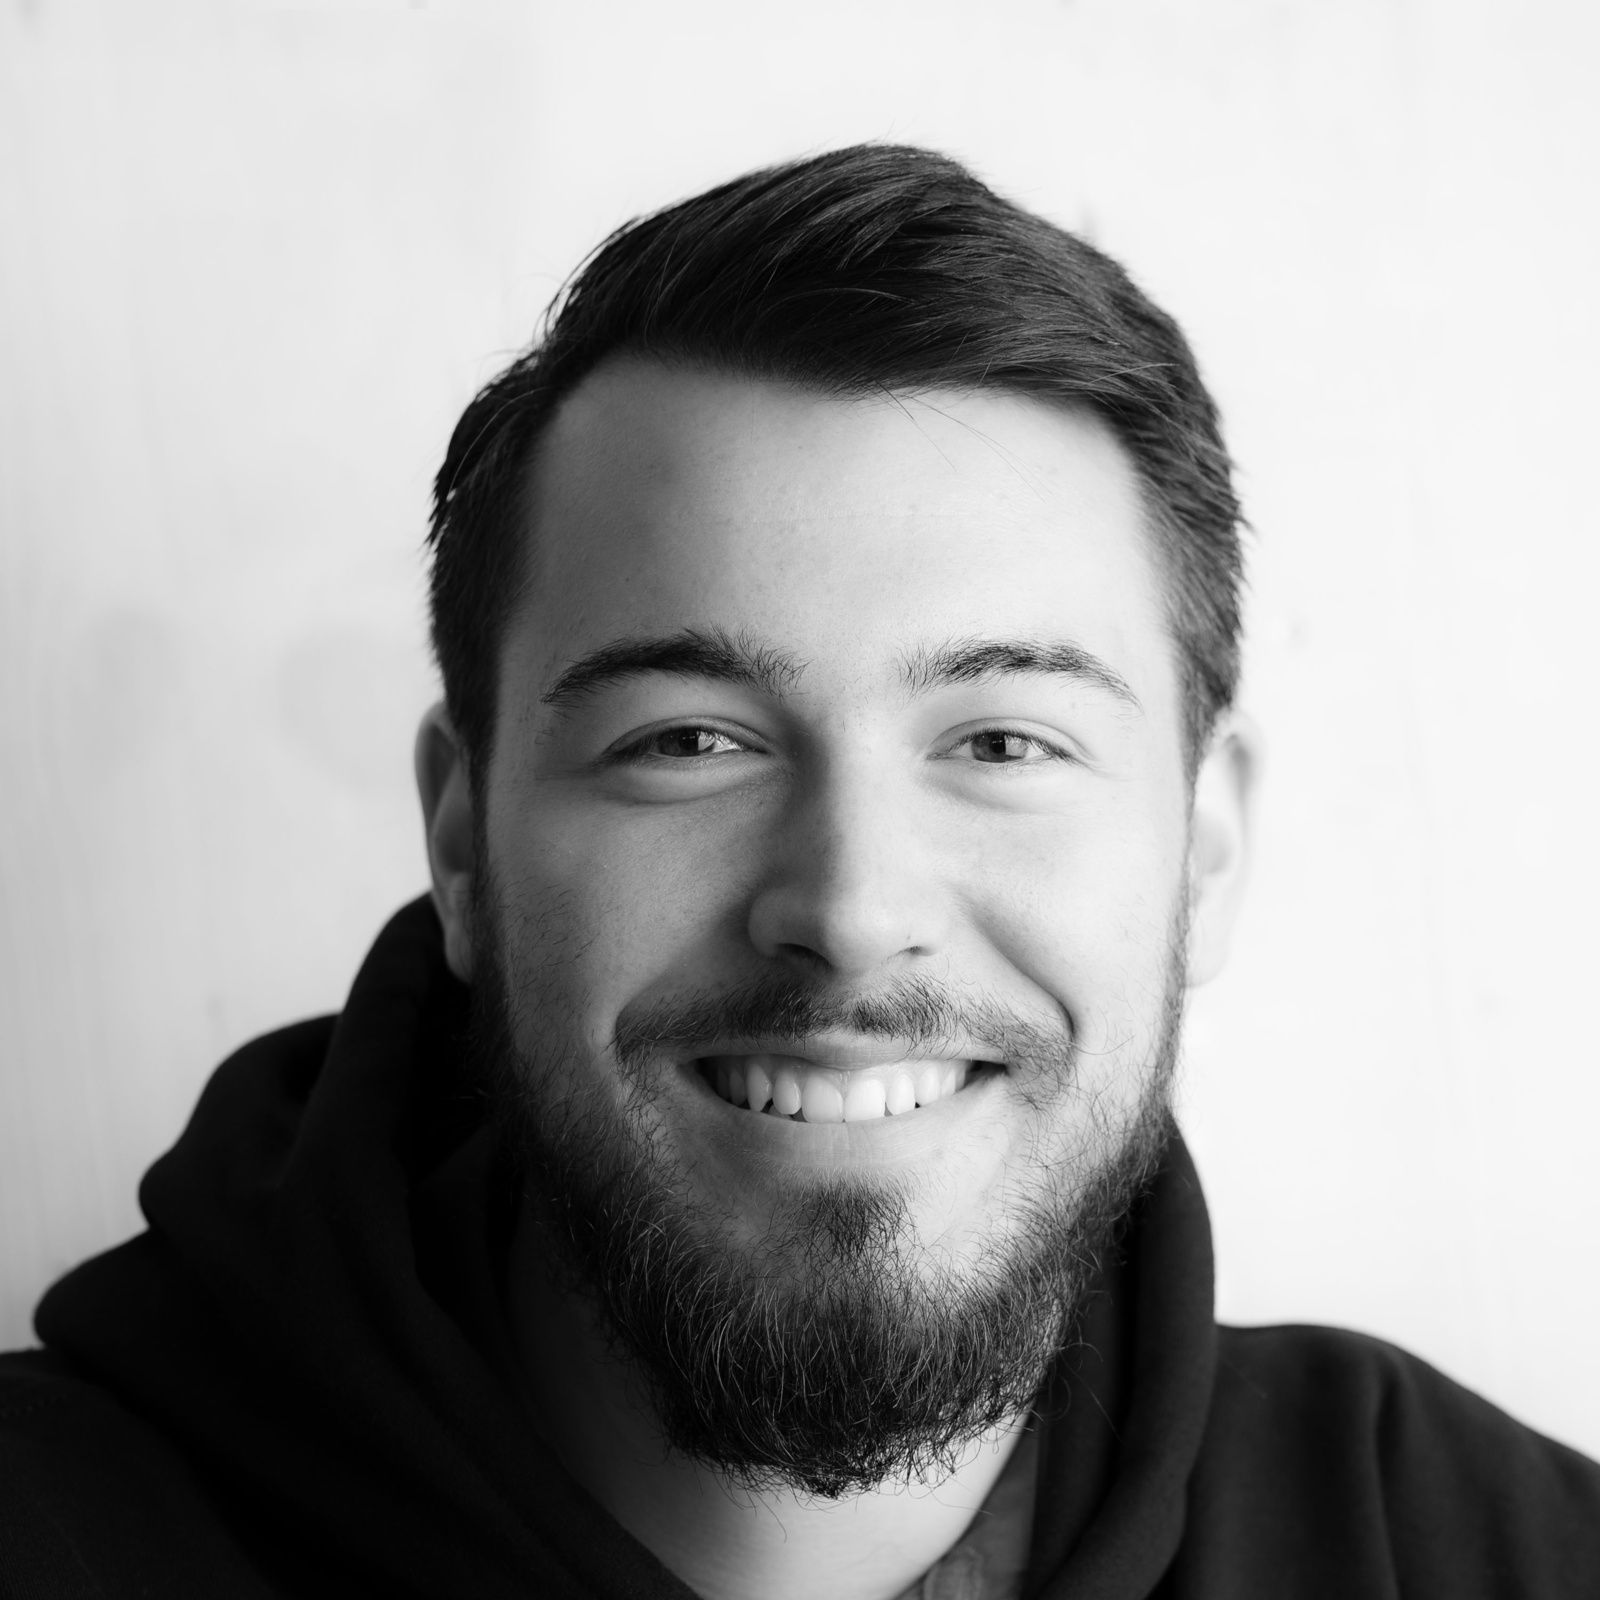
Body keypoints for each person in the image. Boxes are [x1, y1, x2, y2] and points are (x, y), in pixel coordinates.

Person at [1, 144, 1595, 1600]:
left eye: (1003, 741)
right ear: (462, 841)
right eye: (690, 742)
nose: (849, 909)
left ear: (1209, 849)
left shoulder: (1486, 1553)